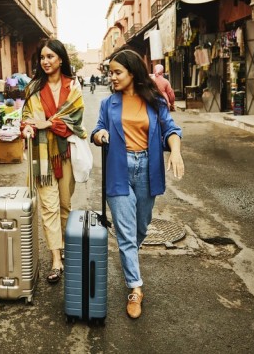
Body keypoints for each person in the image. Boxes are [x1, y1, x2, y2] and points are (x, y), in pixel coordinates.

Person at [91, 46, 184, 319]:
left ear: (132, 72)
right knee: (126, 233)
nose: (113, 78)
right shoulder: (108, 104)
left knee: (141, 226)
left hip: (147, 168)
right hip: (118, 170)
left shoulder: (154, 100)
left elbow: (171, 129)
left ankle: (129, 255)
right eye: (111, 73)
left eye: (117, 72)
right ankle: (135, 287)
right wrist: (100, 135)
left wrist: (175, 150)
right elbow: (96, 130)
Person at [21, 38, 87, 284]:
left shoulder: (74, 87)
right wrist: (26, 128)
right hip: (42, 156)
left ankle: (65, 248)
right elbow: (27, 118)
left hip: (66, 153)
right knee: (49, 207)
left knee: (65, 205)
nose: (45, 61)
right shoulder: (33, 88)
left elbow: (75, 120)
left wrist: (48, 123)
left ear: (61, 59)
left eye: (50, 56)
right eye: (42, 57)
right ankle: (56, 259)